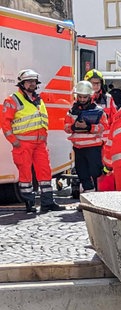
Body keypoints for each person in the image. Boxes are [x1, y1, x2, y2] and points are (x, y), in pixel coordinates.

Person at [2, 69, 65, 213]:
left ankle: (47, 203)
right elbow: (5, 124)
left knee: (45, 172)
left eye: (34, 81)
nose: (32, 84)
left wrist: (44, 139)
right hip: (23, 144)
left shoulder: (38, 99)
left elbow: (42, 120)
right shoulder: (12, 100)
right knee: (25, 175)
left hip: (40, 144)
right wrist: (14, 141)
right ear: (22, 83)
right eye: (29, 81)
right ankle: (29, 203)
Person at [63, 81, 109, 194]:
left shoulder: (98, 110)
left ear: (90, 96)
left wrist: (89, 127)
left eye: (85, 97)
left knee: (96, 172)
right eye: (80, 97)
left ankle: (98, 195)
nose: (82, 99)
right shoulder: (71, 111)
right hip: (78, 148)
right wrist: (74, 127)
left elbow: (104, 127)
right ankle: (89, 194)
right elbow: (66, 127)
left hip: (93, 147)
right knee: (82, 173)